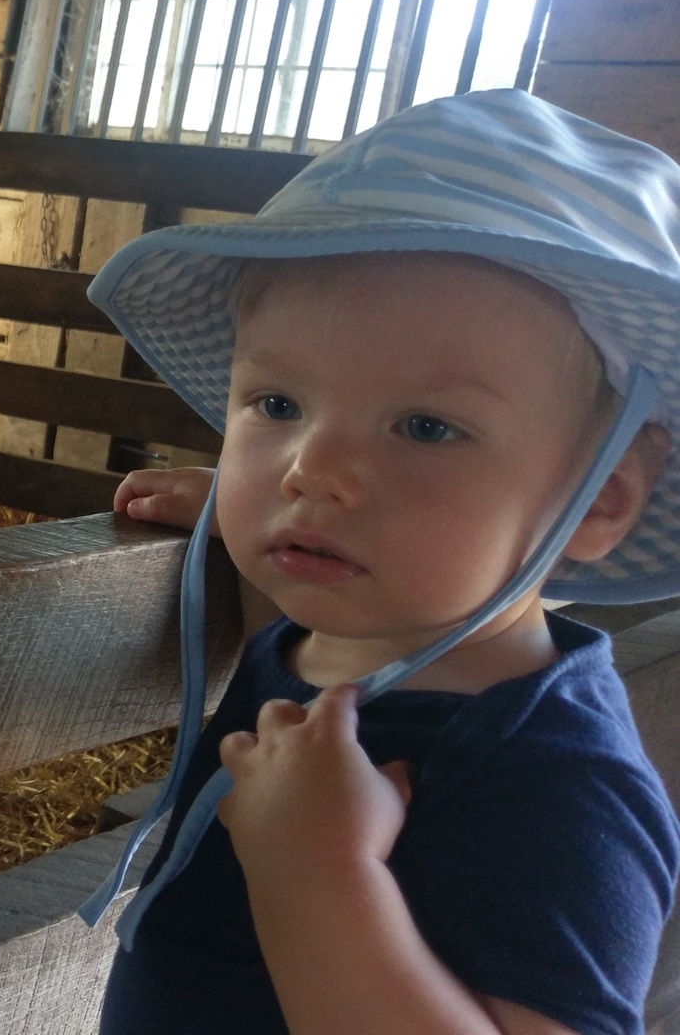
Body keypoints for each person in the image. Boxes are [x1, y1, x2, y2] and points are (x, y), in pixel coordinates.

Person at [79, 89, 680, 1035]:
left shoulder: (558, 785)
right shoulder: (334, 635)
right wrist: (243, 508)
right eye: (279, 406)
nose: (311, 473)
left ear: (601, 498)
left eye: (426, 428)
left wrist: (320, 878)